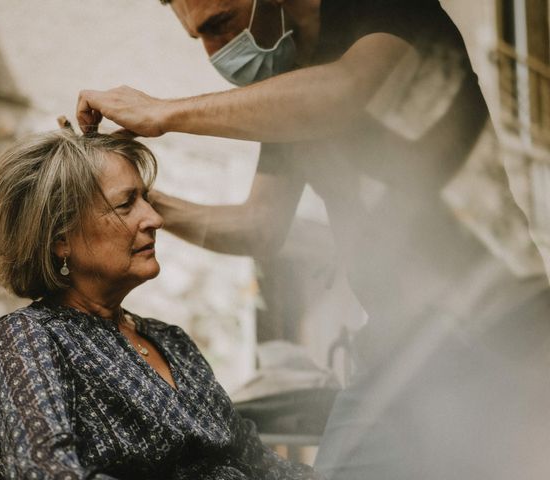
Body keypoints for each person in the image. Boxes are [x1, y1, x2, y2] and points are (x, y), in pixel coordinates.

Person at [75, 0, 550, 478]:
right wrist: (139, 200)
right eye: (200, 38)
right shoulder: (290, 93)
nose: (215, 53)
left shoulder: (388, 15)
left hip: (495, 323)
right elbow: (259, 226)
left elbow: (344, 91)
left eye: (220, 25)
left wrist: (162, 113)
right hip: (391, 342)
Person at [0, 129, 321, 480]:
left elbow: (259, 462)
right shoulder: (27, 336)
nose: (155, 219)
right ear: (61, 240)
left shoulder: (171, 341)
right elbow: (44, 470)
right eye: (126, 204)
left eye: (146, 200)